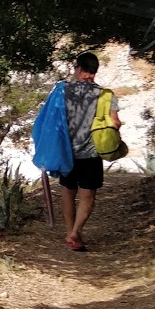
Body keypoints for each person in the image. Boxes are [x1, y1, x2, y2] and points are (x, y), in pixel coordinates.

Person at [58, 51, 121, 251]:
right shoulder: (105, 95)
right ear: (95, 71)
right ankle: (76, 232)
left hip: (67, 152)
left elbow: (52, 121)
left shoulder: (63, 91)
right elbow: (115, 123)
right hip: (92, 153)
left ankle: (71, 232)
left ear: (78, 69)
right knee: (88, 195)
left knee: (68, 192)